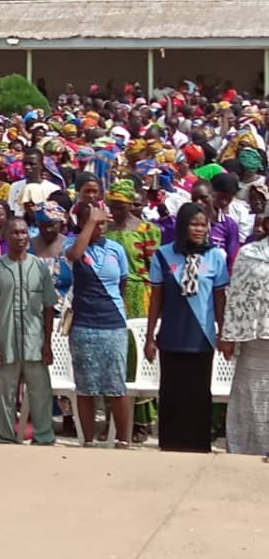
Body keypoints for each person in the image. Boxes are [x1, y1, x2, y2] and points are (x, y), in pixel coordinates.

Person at [145, 202, 229, 453]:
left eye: (203, 225)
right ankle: (170, 445)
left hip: (201, 337)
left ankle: (198, 446)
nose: (199, 229)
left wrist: (224, 334)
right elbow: (156, 299)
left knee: (198, 394)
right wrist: (149, 337)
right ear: (182, 226)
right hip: (171, 336)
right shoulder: (163, 255)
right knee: (172, 393)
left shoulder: (216, 257)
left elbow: (219, 300)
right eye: (194, 224)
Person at [0, 217, 58, 445]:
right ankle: (5, 438)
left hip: (35, 342)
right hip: (6, 342)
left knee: (41, 393)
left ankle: (44, 437)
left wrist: (47, 343)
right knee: (5, 394)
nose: (20, 237)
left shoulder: (40, 268)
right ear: (6, 236)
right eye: (14, 233)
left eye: (24, 232)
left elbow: (48, 306)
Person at [66, 203, 133, 448]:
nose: (100, 227)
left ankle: (123, 440)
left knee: (116, 385)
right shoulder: (73, 245)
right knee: (86, 386)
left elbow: (122, 283)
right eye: (95, 222)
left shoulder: (116, 249)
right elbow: (74, 257)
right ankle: (89, 441)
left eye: (104, 222)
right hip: (84, 324)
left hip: (113, 324)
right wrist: (90, 223)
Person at [104, 178, 161, 440]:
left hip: (138, 295)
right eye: (112, 205)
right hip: (110, 294)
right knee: (112, 354)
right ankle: (113, 418)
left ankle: (139, 421)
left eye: (120, 206)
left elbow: (154, 268)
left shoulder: (146, 229)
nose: (115, 211)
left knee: (134, 355)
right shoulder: (105, 230)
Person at [220, 208, 269, 455]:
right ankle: (247, 451)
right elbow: (239, 296)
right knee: (252, 397)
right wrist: (229, 336)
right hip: (255, 340)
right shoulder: (250, 253)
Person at [9, 149, 63, 217]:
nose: (27, 167)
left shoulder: (53, 189)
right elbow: (11, 211)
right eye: (25, 163)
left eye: (32, 164)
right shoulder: (15, 186)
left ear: (41, 165)